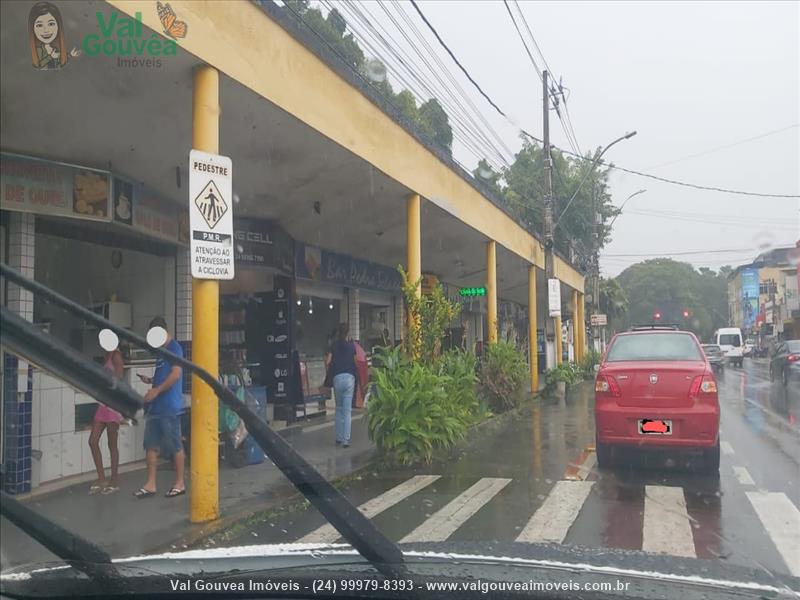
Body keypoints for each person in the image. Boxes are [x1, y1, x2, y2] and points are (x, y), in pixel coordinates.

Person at [134, 317, 186, 499]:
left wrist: (156, 390)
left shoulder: (175, 349)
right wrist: (151, 381)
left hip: (170, 407)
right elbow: (163, 377)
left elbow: (176, 375)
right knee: (150, 446)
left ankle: (180, 483)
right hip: (155, 409)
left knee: (175, 446)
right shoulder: (160, 352)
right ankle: (150, 484)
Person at [88, 344, 125, 495]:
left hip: (112, 406)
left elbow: (119, 379)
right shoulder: (107, 355)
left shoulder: (116, 355)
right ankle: (102, 477)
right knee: (93, 441)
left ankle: (114, 480)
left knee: (112, 444)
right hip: (103, 405)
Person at [326, 322, 356, 448]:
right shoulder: (351, 346)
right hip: (349, 378)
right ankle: (345, 440)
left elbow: (328, 361)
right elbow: (355, 362)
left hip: (337, 378)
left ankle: (338, 438)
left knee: (338, 409)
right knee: (347, 411)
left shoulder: (334, 345)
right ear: (348, 332)